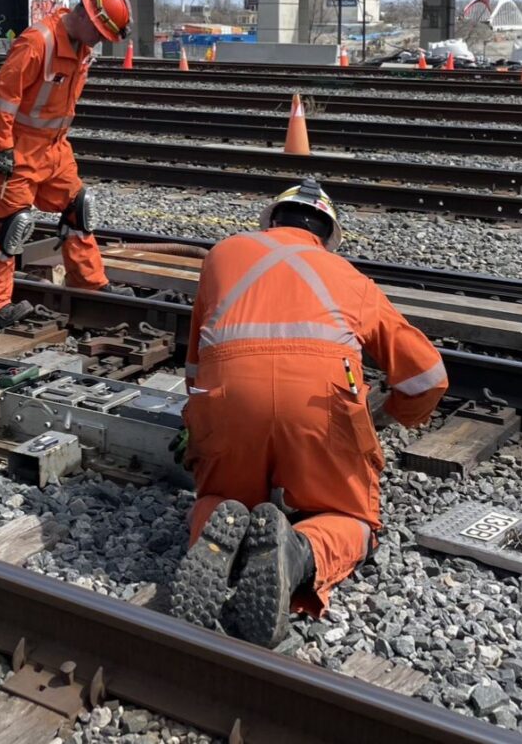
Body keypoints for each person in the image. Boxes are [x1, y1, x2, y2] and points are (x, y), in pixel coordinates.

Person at [171, 180, 448, 647]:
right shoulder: (348, 277)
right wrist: (391, 414)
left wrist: (201, 427)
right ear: (325, 235)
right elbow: (428, 375)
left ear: (272, 221)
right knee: (353, 518)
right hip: (320, 408)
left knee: (216, 496)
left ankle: (219, 529)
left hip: (228, 399)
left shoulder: (222, 255)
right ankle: (300, 553)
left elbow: (196, 364)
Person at [0, 0, 132, 327]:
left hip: (54, 148)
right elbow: (0, 98)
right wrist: (0, 147)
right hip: (19, 149)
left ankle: (90, 283)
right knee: (12, 226)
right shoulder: (38, 42)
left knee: (78, 208)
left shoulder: (81, 49)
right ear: (88, 17)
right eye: (101, 33)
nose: (101, 41)